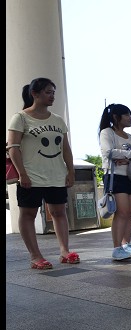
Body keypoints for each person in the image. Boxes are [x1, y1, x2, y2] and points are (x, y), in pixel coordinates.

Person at [7, 78, 79, 269]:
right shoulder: (20, 118)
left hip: (56, 175)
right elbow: (13, 148)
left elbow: (66, 149)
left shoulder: (57, 120)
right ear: (35, 94)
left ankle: (65, 251)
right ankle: (35, 256)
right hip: (31, 176)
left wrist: (70, 172)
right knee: (28, 214)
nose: (52, 96)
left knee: (59, 212)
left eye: (53, 92)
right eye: (48, 92)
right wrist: (22, 174)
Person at [98, 103, 131, 261]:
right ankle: (117, 247)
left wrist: (127, 157)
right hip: (115, 176)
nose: (130, 118)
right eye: (127, 115)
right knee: (122, 212)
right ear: (116, 117)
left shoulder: (130, 137)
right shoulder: (107, 132)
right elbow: (109, 152)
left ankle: (127, 244)